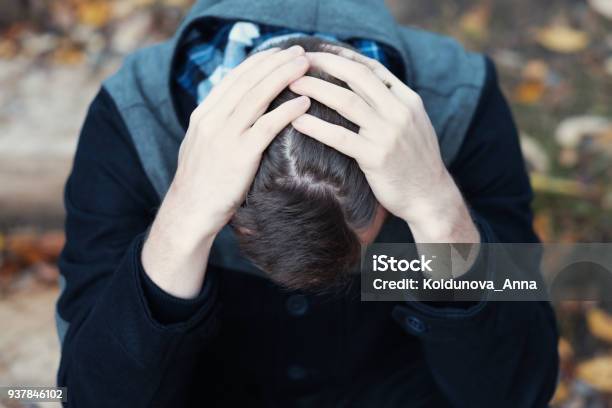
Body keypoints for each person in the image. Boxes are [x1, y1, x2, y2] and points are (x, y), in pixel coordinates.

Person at [56, 1, 559, 406]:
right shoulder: (131, 109)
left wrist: (439, 211)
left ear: (386, 194)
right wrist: (183, 220)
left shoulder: (464, 98)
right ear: (230, 212)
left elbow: (521, 391)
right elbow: (86, 394)